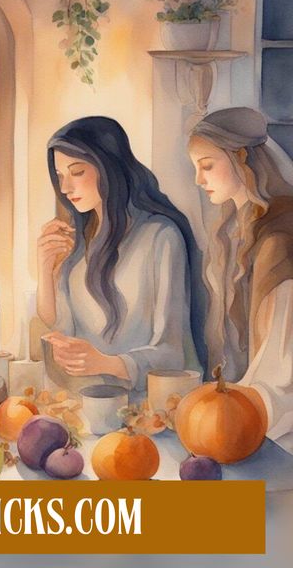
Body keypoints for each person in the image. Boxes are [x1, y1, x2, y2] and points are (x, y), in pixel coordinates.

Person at [38, 116, 206, 399]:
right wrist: (44, 267)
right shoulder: (79, 244)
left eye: (77, 172)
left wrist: (106, 363)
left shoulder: (160, 237)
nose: (65, 188)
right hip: (87, 402)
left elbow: (173, 353)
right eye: (59, 176)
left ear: (108, 167)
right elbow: (61, 327)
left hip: (150, 404)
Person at [189, 107, 293, 451]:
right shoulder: (234, 228)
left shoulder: (278, 240)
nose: (198, 180)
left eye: (206, 166)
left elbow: (278, 372)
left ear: (242, 158)